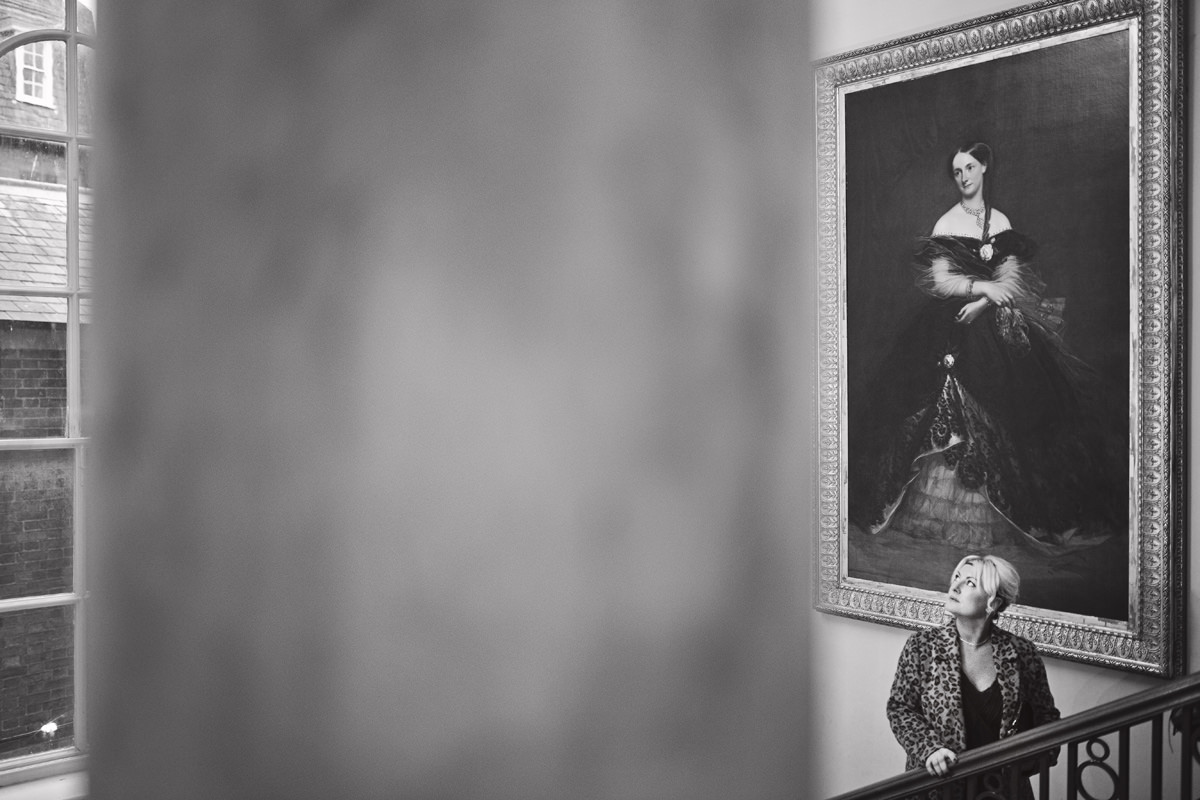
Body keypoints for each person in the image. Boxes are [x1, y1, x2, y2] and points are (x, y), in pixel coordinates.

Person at [848, 142, 1123, 551]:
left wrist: (983, 303)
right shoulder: (946, 222)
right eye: (957, 170)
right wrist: (979, 289)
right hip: (949, 322)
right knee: (938, 389)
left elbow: (1012, 279)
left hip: (991, 319)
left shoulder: (1001, 220)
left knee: (1021, 400)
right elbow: (941, 282)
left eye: (970, 167)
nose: (963, 177)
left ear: (984, 168)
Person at [887, 555, 1059, 794]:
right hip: (938, 790)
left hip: (1002, 792)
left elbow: (1047, 720)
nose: (955, 586)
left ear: (994, 603)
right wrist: (929, 749)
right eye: (957, 577)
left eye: (970, 583)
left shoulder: (1022, 653)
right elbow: (900, 708)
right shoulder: (922, 647)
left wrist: (1019, 767)